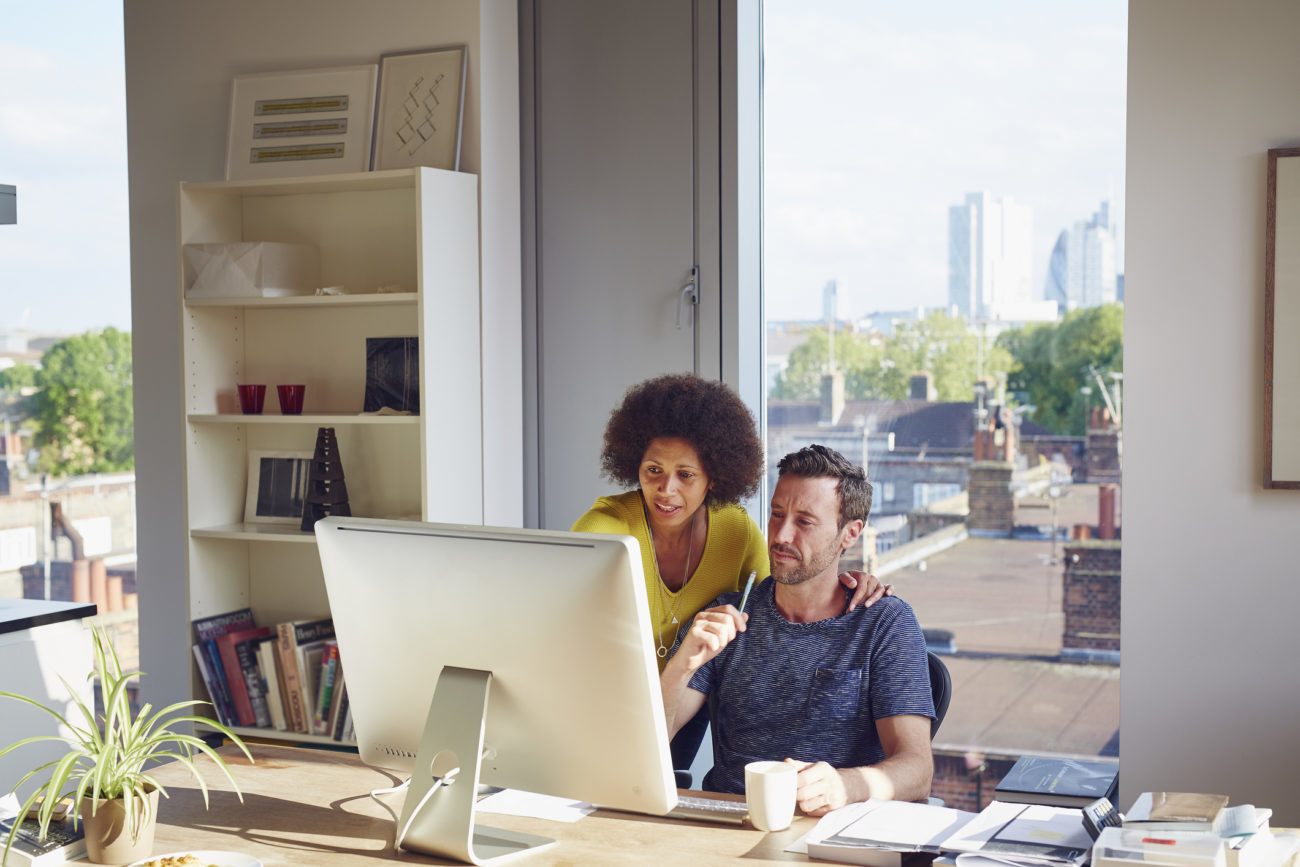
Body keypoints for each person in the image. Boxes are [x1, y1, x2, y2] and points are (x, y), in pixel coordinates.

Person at [571, 374, 892, 775]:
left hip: (679, 715)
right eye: (653, 470)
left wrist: (852, 575)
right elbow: (566, 636)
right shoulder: (603, 530)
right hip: (605, 707)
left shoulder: (735, 530)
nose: (665, 489)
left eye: (685, 475)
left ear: (714, 478)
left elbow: (784, 586)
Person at [660, 444, 934, 814]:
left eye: (804, 521)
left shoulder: (885, 625)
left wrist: (846, 785)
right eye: (776, 514)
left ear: (850, 533)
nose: (781, 535)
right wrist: (682, 664)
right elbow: (650, 741)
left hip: (829, 829)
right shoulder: (725, 616)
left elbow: (918, 770)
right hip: (727, 822)